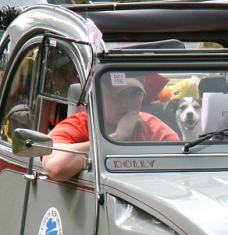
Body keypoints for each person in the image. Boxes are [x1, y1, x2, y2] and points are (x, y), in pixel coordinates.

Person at [43, 75, 178, 181]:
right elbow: (56, 166)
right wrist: (117, 137)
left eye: (134, 95)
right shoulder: (77, 126)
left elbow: (180, 170)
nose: (126, 104)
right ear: (98, 96)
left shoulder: (155, 131)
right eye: (117, 95)